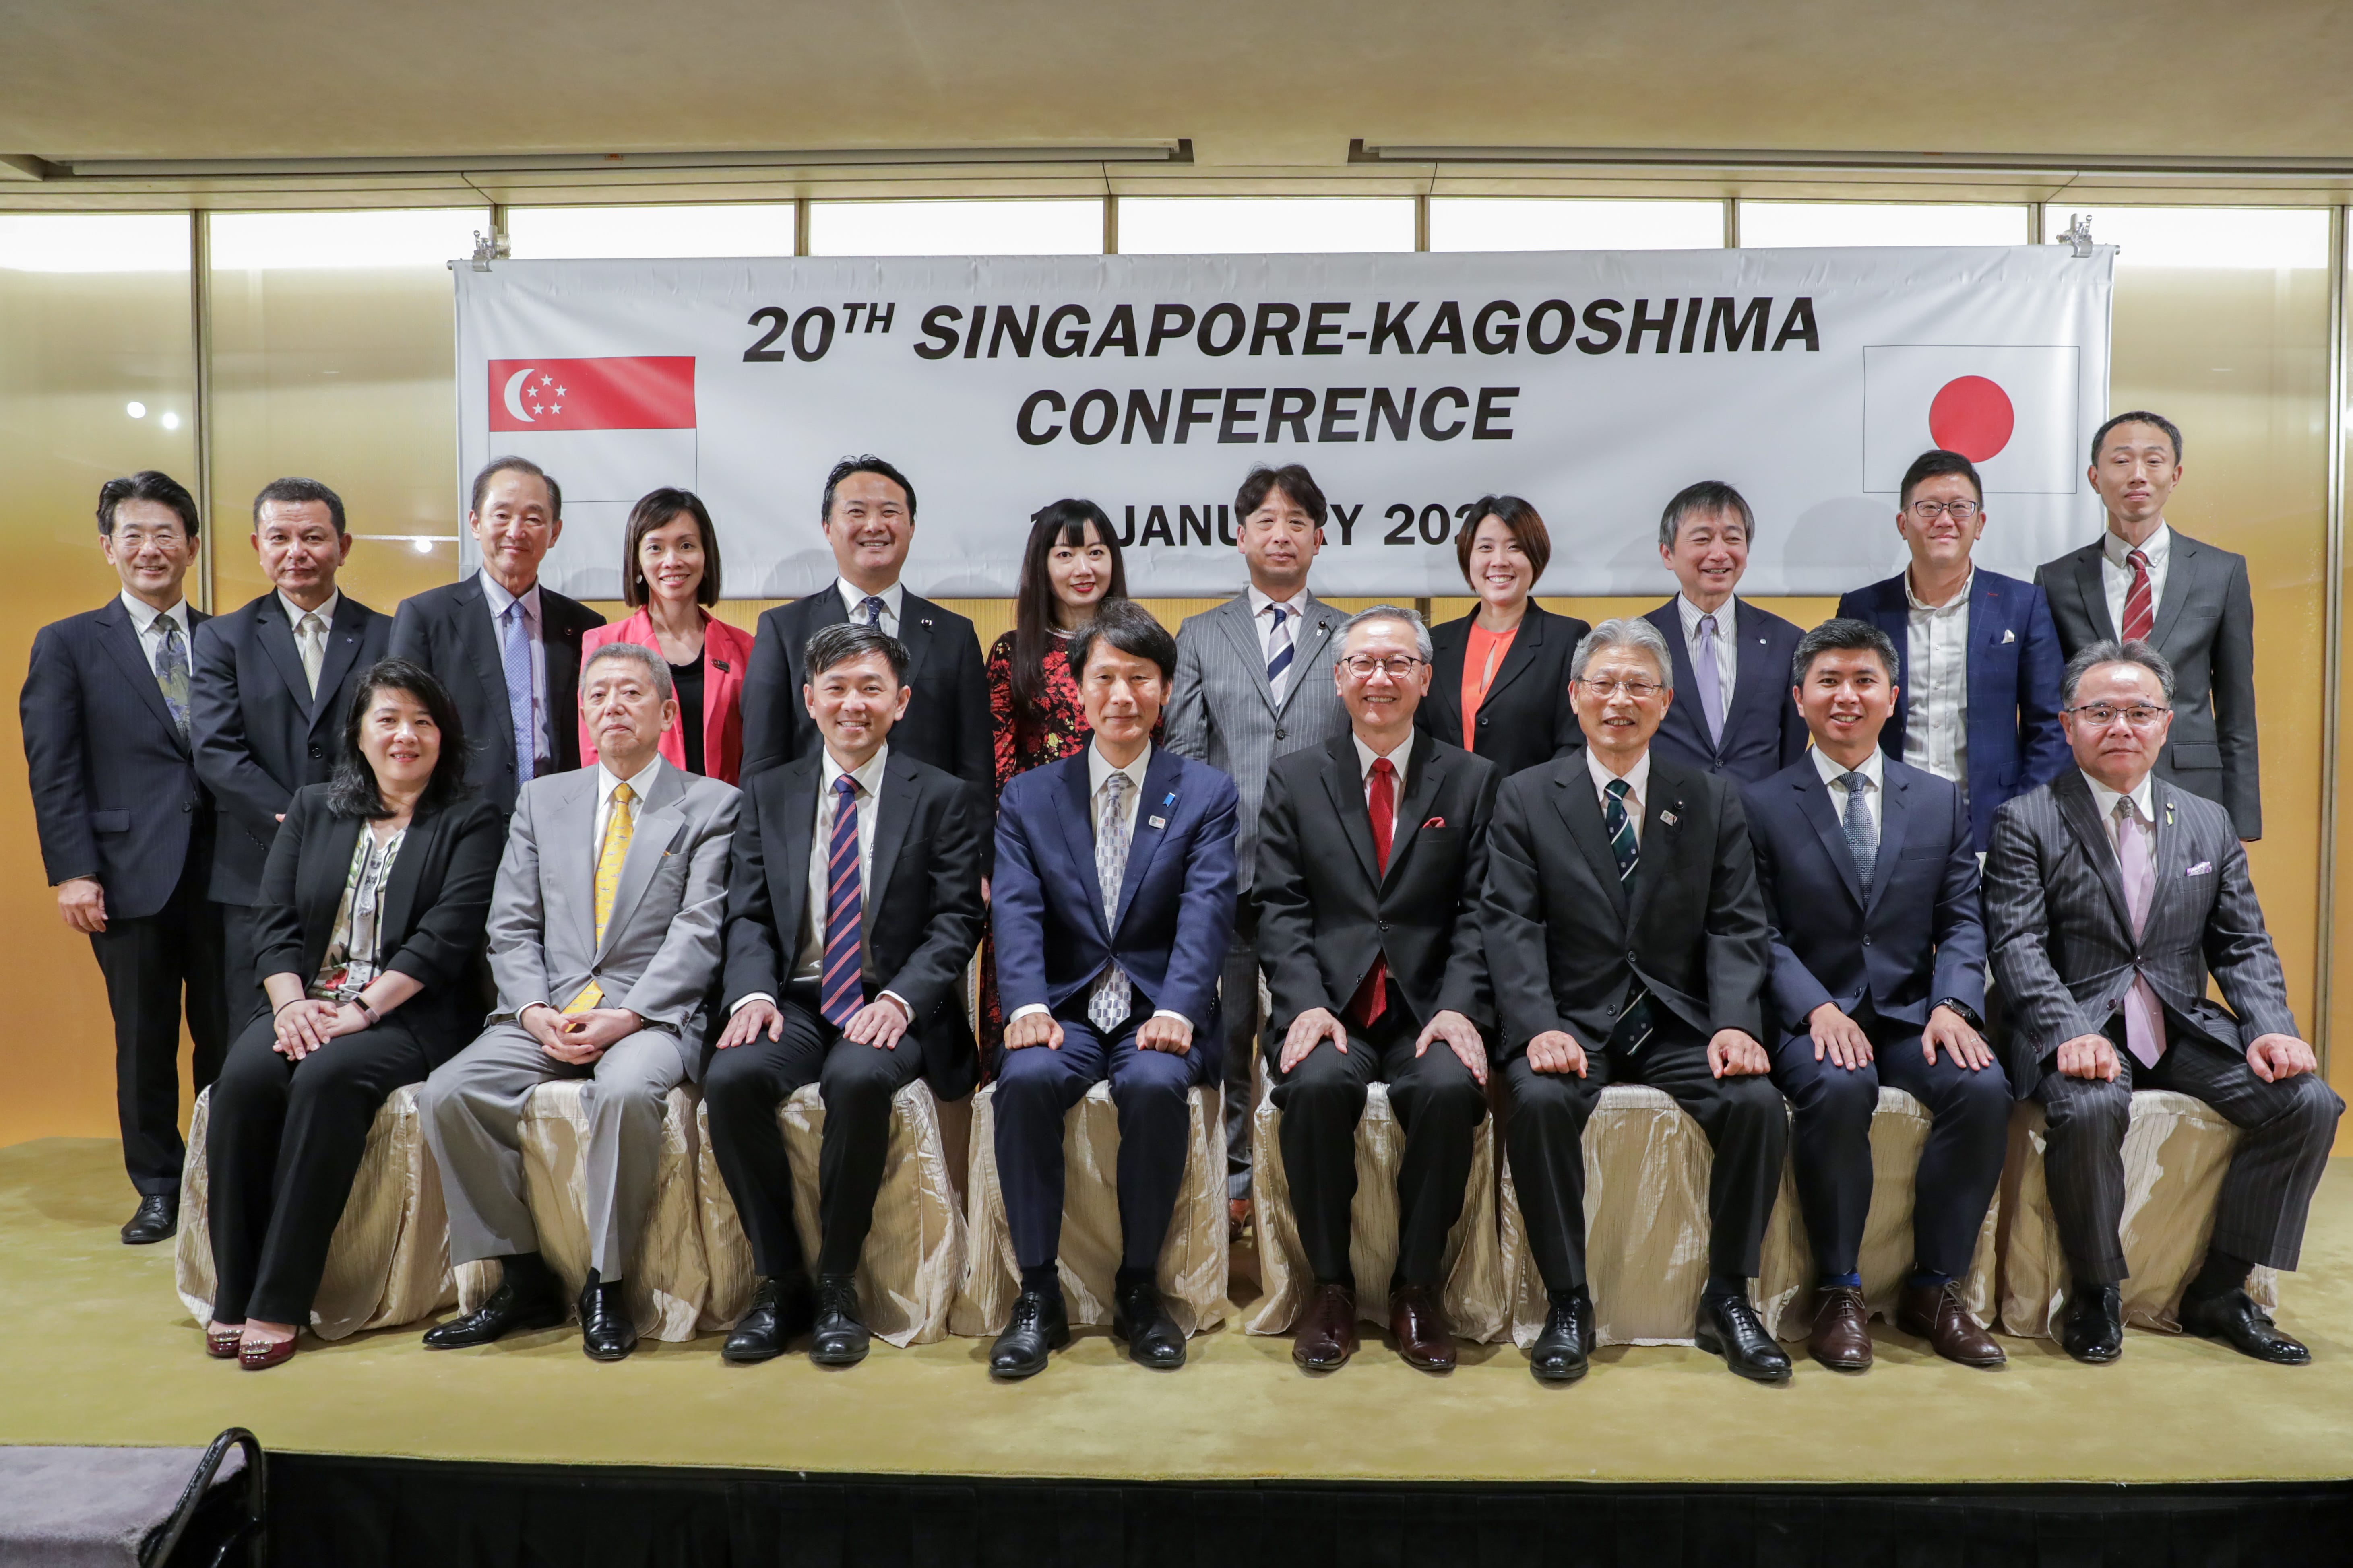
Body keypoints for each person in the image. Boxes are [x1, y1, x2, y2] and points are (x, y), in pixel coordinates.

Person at [1985, 638, 2339, 1365]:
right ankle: (2095, 1289)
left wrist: (2271, 1028)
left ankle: (2220, 1289)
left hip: (2177, 1024)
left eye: (2141, 710)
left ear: (2167, 723)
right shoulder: (2027, 820)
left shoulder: (2207, 821)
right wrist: (2064, 1033)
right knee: (2088, 1104)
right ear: (2067, 723)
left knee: (2307, 1102)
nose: (2123, 726)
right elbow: (2016, 946)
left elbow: (2242, 944)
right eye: (2101, 711)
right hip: (2076, 1023)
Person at [1482, 617, 1788, 1384]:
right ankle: (1568, 1302)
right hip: (1571, 1020)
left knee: (1755, 1102)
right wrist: (1537, 1027)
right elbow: (1510, 923)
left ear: (1667, 700)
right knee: (1539, 1099)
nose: (1621, 700)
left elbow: (1736, 924)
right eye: (1606, 684)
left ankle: (1729, 1297)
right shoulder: (1525, 796)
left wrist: (1734, 1026)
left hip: (1675, 1020)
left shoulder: (1711, 798)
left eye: (1639, 685)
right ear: (1577, 695)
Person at [418, 643, 739, 1363]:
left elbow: (701, 927)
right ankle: (521, 1275)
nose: (613, 707)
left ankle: (607, 1281)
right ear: (582, 713)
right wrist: (532, 1010)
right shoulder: (543, 798)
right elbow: (511, 923)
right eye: (599, 696)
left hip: (649, 1013)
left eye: (631, 694)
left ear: (665, 712)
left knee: (626, 1091)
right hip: (549, 1008)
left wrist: (630, 1016)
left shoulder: (711, 804)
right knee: (451, 1092)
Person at [199, 660, 504, 1369]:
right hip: (304, 1004)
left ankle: (279, 1300)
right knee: (243, 1083)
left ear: (444, 736)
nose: (406, 735)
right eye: (389, 720)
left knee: (326, 1082)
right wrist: (291, 1006)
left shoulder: (471, 818)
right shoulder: (313, 808)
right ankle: (232, 1290)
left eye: (423, 721)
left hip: (406, 1014)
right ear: (360, 735)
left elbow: (447, 939)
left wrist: (361, 1009)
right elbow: (271, 923)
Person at [703, 624, 987, 1366]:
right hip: (794, 1001)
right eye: (837, 688)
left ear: (901, 701)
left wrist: (899, 1001)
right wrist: (750, 995)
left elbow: (958, 920)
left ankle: (837, 1283)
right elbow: (750, 913)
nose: (853, 704)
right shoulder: (768, 793)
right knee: (731, 1078)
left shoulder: (944, 797)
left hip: (893, 1001)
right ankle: (780, 1281)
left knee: (858, 1077)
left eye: (871, 689)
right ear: (809, 699)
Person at [1744, 618, 2008, 1372]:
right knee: (1837, 1086)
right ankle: (1838, 1289)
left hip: (1908, 1011)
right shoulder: (1759, 803)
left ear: (1893, 696)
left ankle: (1934, 1288)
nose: (1847, 696)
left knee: (1984, 1087)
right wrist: (1815, 1007)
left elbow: (1963, 917)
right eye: (1829, 681)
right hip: (1810, 1015)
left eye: (1864, 681)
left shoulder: (1937, 799)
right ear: (1800, 698)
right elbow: (1753, 930)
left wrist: (1955, 1005)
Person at [989, 600, 1240, 1378]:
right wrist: (1026, 1003)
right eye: (1107, 678)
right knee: (1024, 1081)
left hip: (1158, 1007)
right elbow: (1018, 910)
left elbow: (1208, 913)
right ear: (1079, 687)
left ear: (1165, 690)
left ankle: (1140, 1288)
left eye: (1141, 678)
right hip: (1063, 1006)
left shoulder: (1204, 792)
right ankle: (1038, 1294)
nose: (1123, 695)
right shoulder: (1030, 795)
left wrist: (1178, 1010)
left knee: (1158, 1086)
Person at [1256, 606, 1499, 1373]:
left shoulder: (1471, 781)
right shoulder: (1297, 777)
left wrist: (1459, 1006)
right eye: (1363, 664)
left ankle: (1416, 1287)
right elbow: (1281, 906)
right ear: (1339, 679)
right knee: (1318, 1087)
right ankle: (1329, 1288)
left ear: (1426, 679)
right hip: (1333, 1009)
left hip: (1430, 1008)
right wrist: (1306, 1005)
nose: (1380, 679)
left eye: (1398, 664)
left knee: (1448, 1091)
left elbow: (1483, 911)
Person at [21, 471, 231, 1244]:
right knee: (143, 1038)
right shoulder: (71, 643)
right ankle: (159, 1187)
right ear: (109, 547)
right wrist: (73, 870)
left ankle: (222, 1175)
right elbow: (55, 766)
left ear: (193, 547)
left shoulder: (229, 638)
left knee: (228, 1035)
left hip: (226, 876)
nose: (151, 549)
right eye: (134, 535)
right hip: (123, 874)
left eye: (167, 534)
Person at [1165, 463, 1351, 1222]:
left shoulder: (1351, 636)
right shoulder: (1202, 636)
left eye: (1297, 522)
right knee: (1231, 1035)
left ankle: (1299, 1179)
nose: (1281, 534)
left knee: (1313, 1033)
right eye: (1266, 522)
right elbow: (1181, 754)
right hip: (1229, 871)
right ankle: (1238, 1182)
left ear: (1319, 538)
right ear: (1239, 536)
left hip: (1330, 878)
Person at [193, 477, 393, 1022]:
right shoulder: (221, 638)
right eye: (279, 538)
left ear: (343, 547)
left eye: (313, 537)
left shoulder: (389, 635)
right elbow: (216, 750)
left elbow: (400, 745)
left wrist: (348, 825)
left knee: (350, 1022)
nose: (296, 553)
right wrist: (299, 823)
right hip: (255, 869)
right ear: (259, 548)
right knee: (252, 1026)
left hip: (367, 862)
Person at [2035, 412, 2260, 839]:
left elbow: (2236, 709)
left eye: (2153, 461)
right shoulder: (2057, 579)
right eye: (2121, 461)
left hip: (2191, 785)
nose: (2137, 475)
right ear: (2094, 476)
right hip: (2086, 786)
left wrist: (2240, 820)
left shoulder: (2221, 572)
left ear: (2174, 476)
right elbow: (2048, 706)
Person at [1835, 449, 2067, 852]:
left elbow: (2050, 726)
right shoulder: (1863, 609)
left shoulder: (2022, 604)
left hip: (1996, 825)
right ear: (1902, 523)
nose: (1945, 520)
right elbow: (1843, 722)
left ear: (1979, 523)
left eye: (1960, 507)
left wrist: (2023, 818)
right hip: (1886, 823)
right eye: (1928, 508)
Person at [981, 499, 1147, 1052]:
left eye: (1096, 552)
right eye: (1067, 553)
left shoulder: (1140, 646)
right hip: (1039, 850)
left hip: (1123, 841)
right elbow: (1000, 767)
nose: (1084, 568)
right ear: (1042, 565)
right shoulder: (1012, 653)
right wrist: (1003, 859)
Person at [738, 456, 989, 793]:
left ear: (911, 526)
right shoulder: (783, 630)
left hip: (929, 836)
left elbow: (975, 770)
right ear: (827, 527)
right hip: (818, 832)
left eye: (889, 513)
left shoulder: (954, 635)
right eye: (856, 512)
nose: (874, 526)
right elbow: (762, 763)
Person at [388, 456, 605, 814]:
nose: (516, 531)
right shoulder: (426, 617)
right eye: (502, 515)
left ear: (554, 533)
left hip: (565, 815)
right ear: (475, 523)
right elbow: (403, 724)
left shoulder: (585, 626)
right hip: (460, 818)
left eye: (533, 518)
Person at [578, 488, 754, 784]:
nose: (672, 561)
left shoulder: (744, 648)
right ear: (636, 561)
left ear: (706, 555)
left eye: (686, 546)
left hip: (725, 818)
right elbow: (594, 753)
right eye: (656, 548)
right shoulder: (604, 645)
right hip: (636, 820)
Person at [1642, 481, 1807, 785]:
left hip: (1756, 821)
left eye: (1733, 538)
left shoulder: (1787, 641)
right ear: (1667, 554)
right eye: (1702, 539)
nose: (1719, 554)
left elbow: (1793, 747)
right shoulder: (1639, 641)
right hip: (1667, 818)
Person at [1419, 495, 1589, 777]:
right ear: (1468, 557)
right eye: (1485, 548)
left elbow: (1574, 743)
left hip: (1531, 812)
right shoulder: (1435, 642)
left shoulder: (1568, 639)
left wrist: (1527, 802)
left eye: (1515, 548)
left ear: (1535, 557)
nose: (1499, 561)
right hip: (1446, 815)